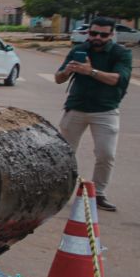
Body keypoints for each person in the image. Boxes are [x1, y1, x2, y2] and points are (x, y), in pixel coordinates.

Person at [54, 15, 132, 212]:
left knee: (106, 154)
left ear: (111, 35)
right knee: (64, 154)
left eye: (103, 35)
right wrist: (67, 71)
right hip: (76, 108)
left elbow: (118, 79)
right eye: (93, 33)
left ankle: (98, 193)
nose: (97, 37)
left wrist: (90, 71)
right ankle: (58, 192)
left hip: (105, 110)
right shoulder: (79, 50)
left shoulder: (121, 53)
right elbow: (58, 78)